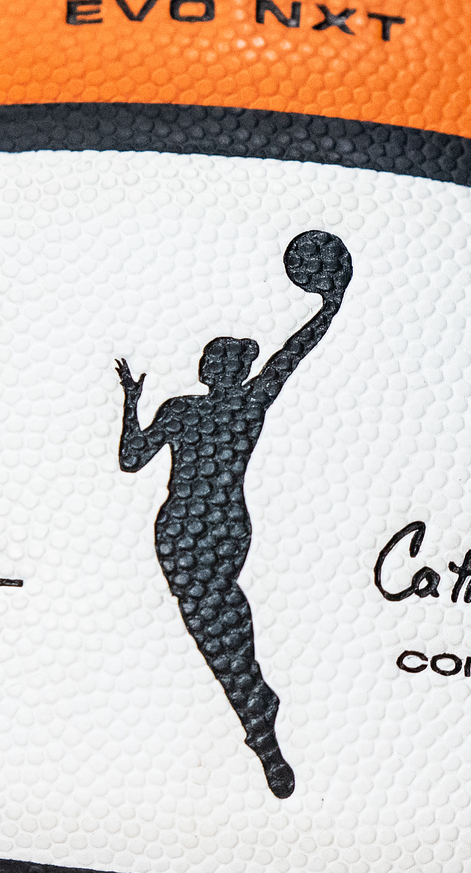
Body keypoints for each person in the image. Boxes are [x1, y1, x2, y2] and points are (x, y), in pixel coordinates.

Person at [116, 231, 351, 798]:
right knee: (213, 626)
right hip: (178, 531)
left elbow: (291, 356)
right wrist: (130, 402)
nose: (214, 365)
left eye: (223, 359)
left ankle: (258, 718)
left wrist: (329, 308)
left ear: (238, 369)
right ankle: (258, 716)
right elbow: (130, 459)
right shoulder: (179, 409)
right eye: (210, 358)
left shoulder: (250, 403)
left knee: (220, 622)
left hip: (220, 527)